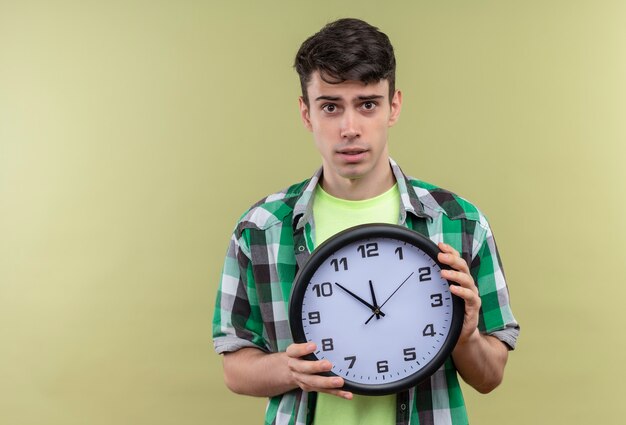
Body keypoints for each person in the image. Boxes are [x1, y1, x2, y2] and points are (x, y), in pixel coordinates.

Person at [212, 18, 519, 425]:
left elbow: (490, 376)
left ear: (394, 106)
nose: (350, 128)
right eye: (330, 106)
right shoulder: (261, 228)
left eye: (367, 104)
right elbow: (234, 365)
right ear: (306, 113)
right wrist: (290, 370)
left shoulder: (459, 222)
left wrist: (466, 336)